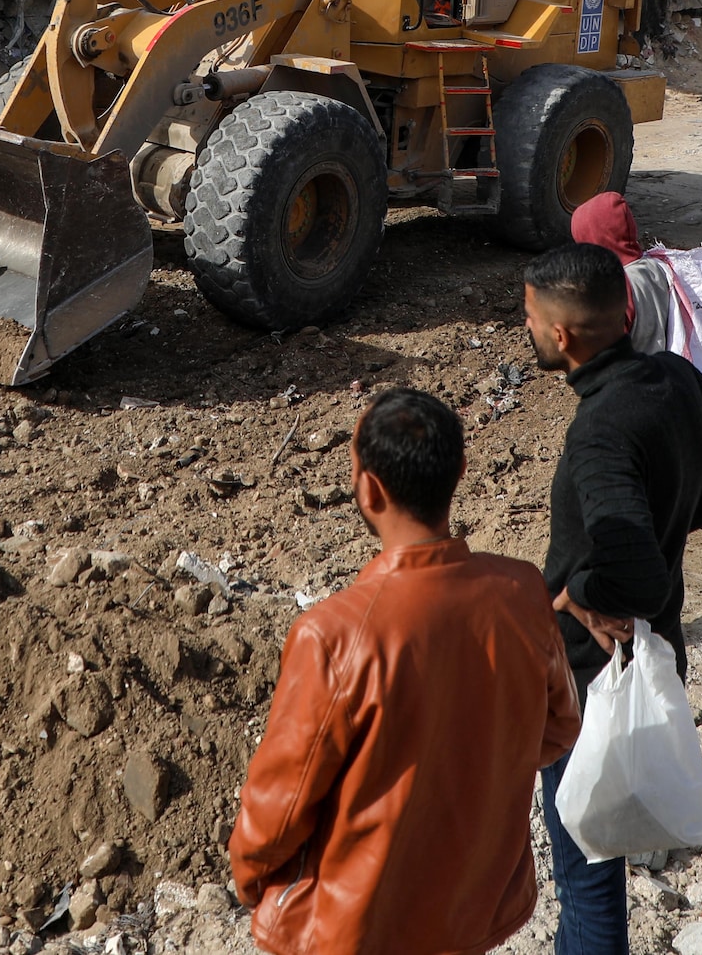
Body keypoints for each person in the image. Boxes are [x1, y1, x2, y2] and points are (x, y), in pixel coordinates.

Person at [230, 388, 579, 955]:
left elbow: (279, 808)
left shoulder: (333, 634)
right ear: (461, 471)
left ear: (368, 489)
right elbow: (558, 729)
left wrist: (253, 881)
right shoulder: (521, 591)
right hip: (473, 910)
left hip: (357, 927)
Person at [526, 244, 702, 955]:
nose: (527, 326)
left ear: (562, 334)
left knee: (588, 874)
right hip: (649, 655)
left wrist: (582, 590)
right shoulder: (672, 375)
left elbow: (637, 574)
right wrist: (672, 519)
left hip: (588, 681)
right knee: (598, 862)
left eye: (530, 316)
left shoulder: (599, 430)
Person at [571, 191, 675, 354]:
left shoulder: (615, 286)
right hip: (662, 366)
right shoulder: (654, 266)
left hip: (634, 372)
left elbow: (605, 350)